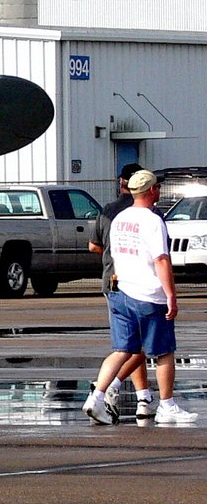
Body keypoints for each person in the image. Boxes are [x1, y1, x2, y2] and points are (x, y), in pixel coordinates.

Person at [83, 169, 195, 425]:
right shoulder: (152, 220)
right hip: (148, 293)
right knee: (164, 351)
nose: (159, 190)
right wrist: (171, 296)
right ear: (151, 191)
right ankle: (167, 405)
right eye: (157, 187)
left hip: (120, 291)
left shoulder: (120, 218)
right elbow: (161, 259)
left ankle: (97, 397)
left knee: (122, 349)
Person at [86, 163, 155, 421]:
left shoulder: (108, 211)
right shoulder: (146, 212)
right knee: (143, 344)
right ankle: (107, 388)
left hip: (110, 281)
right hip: (137, 282)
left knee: (129, 343)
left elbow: (93, 245)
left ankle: (143, 396)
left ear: (120, 181)